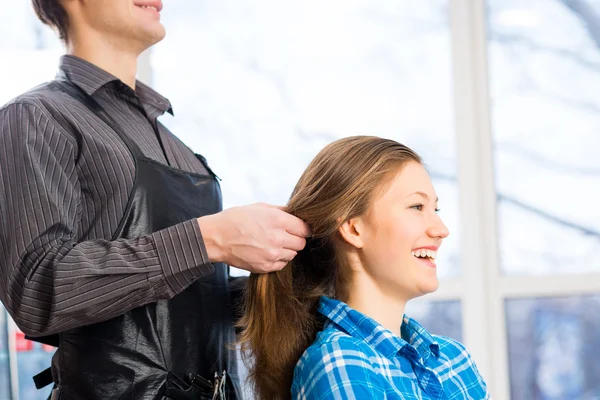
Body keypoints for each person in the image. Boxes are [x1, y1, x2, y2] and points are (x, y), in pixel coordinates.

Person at [0, 1, 310, 399]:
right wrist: (209, 239)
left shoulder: (177, 147)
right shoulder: (36, 118)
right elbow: (37, 291)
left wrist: (302, 280)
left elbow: (185, 309)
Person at [239, 136, 491, 400]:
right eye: (417, 206)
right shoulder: (342, 364)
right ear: (353, 229)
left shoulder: (455, 360)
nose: (441, 230)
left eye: (436, 208)